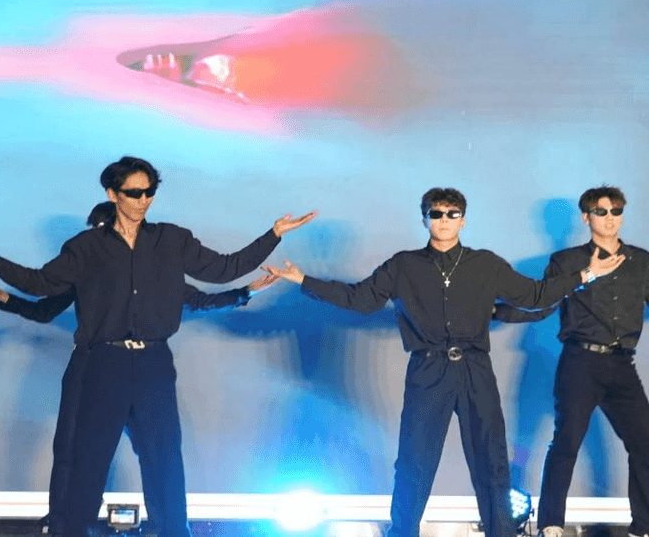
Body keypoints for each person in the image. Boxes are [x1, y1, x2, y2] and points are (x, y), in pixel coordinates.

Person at [0, 156, 315, 537]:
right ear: (113, 194)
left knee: (164, 458)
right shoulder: (86, 248)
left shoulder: (171, 241)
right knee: (88, 460)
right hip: (104, 363)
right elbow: (40, 284)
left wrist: (273, 234)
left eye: (149, 192)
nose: (143, 200)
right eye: (134, 193)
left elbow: (224, 268)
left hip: (154, 362)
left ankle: (173, 532)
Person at [264, 187, 626, 537]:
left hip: (474, 369)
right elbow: (360, 298)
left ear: (463, 220)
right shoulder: (404, 265)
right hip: (428, 370)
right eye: (436, 214)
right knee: (414, 462)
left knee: (491, 462)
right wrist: (302, 279)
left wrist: (586, 274)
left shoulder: (485, 264)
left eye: (452, 214)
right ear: (425, 220)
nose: (444, 220)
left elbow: (534, 295)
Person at [493, 186, 649, 537]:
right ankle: (551, 524)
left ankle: (643, 527)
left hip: (622, 364)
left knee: (644, 444)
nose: (610, 218)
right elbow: (541, 305)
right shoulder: (567, 262)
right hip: (580, 361)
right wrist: (492, 311)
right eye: (602, 211)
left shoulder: (641, 262)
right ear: (586, 217)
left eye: (616, 211)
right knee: (566, 443)